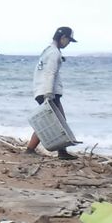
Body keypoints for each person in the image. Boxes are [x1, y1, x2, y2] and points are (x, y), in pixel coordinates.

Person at [26, 26, 77, 160]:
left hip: (41, 90)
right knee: (58, 121)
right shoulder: (54, 53)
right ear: (63, 38)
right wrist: (48, 94)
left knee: (49, 121)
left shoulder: (47, 51)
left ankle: (31, 149)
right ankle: (61, 153)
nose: (68, 44)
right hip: (48, 92)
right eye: (68, 40)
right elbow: (50, 73)